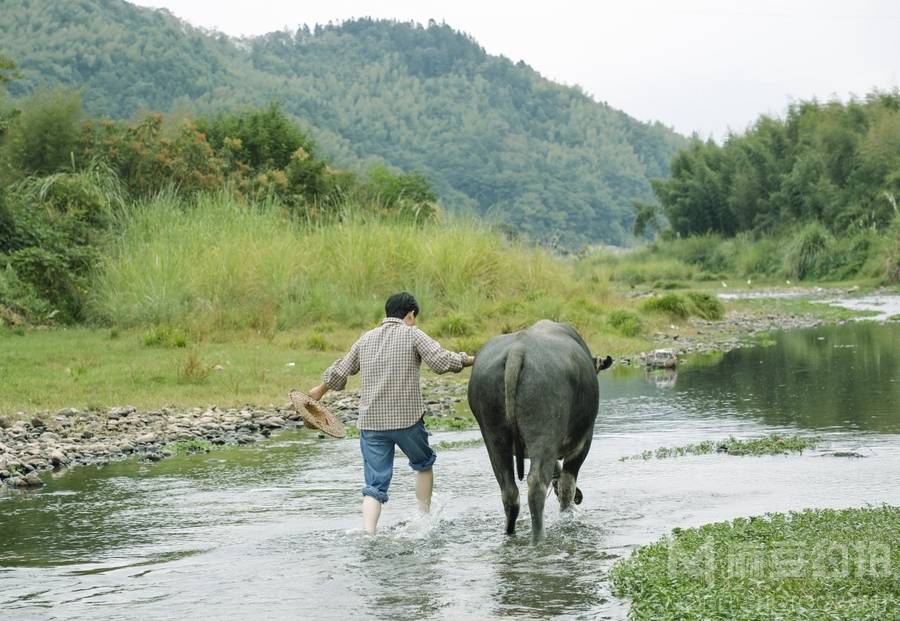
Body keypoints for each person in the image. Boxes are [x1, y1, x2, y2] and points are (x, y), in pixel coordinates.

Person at [307, 292, 475, 535]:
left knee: (374, 485)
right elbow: (441, 362)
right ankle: (423, 520)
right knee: (423, 464)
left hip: (372, 423)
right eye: (414, 317)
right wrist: (472, 360)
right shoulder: (412, 333)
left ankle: (368, 533)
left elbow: (341, 370)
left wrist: (320, 391)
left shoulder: (366, 338)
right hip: (407, 420)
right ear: (410, 315)